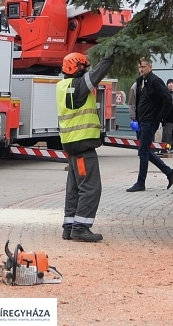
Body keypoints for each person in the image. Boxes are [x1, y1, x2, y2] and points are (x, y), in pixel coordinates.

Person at [56, 49, 115, 242]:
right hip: (82, 147)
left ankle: (69, 226)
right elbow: (97, 74)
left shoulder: (63, 86)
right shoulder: (78, 85)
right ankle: (81, 227)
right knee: (90, 187)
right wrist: (111, 55)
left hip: (72, 145)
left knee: (74, 188)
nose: (86, 69)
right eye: (83, 66)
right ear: (75, 67)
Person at [126, 57, 173, 191]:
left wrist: (159, 118)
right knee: (144, 150)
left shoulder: (155, 81)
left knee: (143, 151)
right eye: (140, 67)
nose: (141, 69)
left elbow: (167, 100)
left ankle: (140, 183)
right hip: (142, 121)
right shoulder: (141, 82)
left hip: (150, 121)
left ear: (150, 67)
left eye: (144, 67)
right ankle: (169, 172)